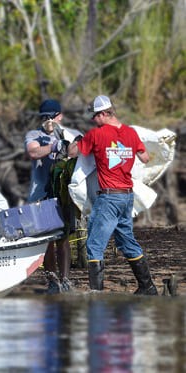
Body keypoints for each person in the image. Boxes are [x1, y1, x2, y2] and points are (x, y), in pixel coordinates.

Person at [67, 95, 158, 295]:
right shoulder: (131, 133)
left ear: (104, 114)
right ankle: (147, 287)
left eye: (95, 116)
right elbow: (145, 157)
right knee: (127, 242)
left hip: (109, 197)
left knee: (94, 245)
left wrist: (78, 140)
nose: (93, 120)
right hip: (127, 196)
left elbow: (72, 152)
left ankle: (97, 296)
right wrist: (126, 151)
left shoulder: (96, 135)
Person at [25, 99, 72, 294]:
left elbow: (77, 150)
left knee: (64, 239)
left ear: (59, 116)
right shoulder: (34, 134)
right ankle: (52, 281)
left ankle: (66, 280)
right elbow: (33, 152)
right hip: (41, 195)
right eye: (44, 117)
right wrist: (53, 146)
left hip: (63, 194)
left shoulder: (68, 133)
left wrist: (63, 139)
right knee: (48, 241)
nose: (47, 120)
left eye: (51, 116)